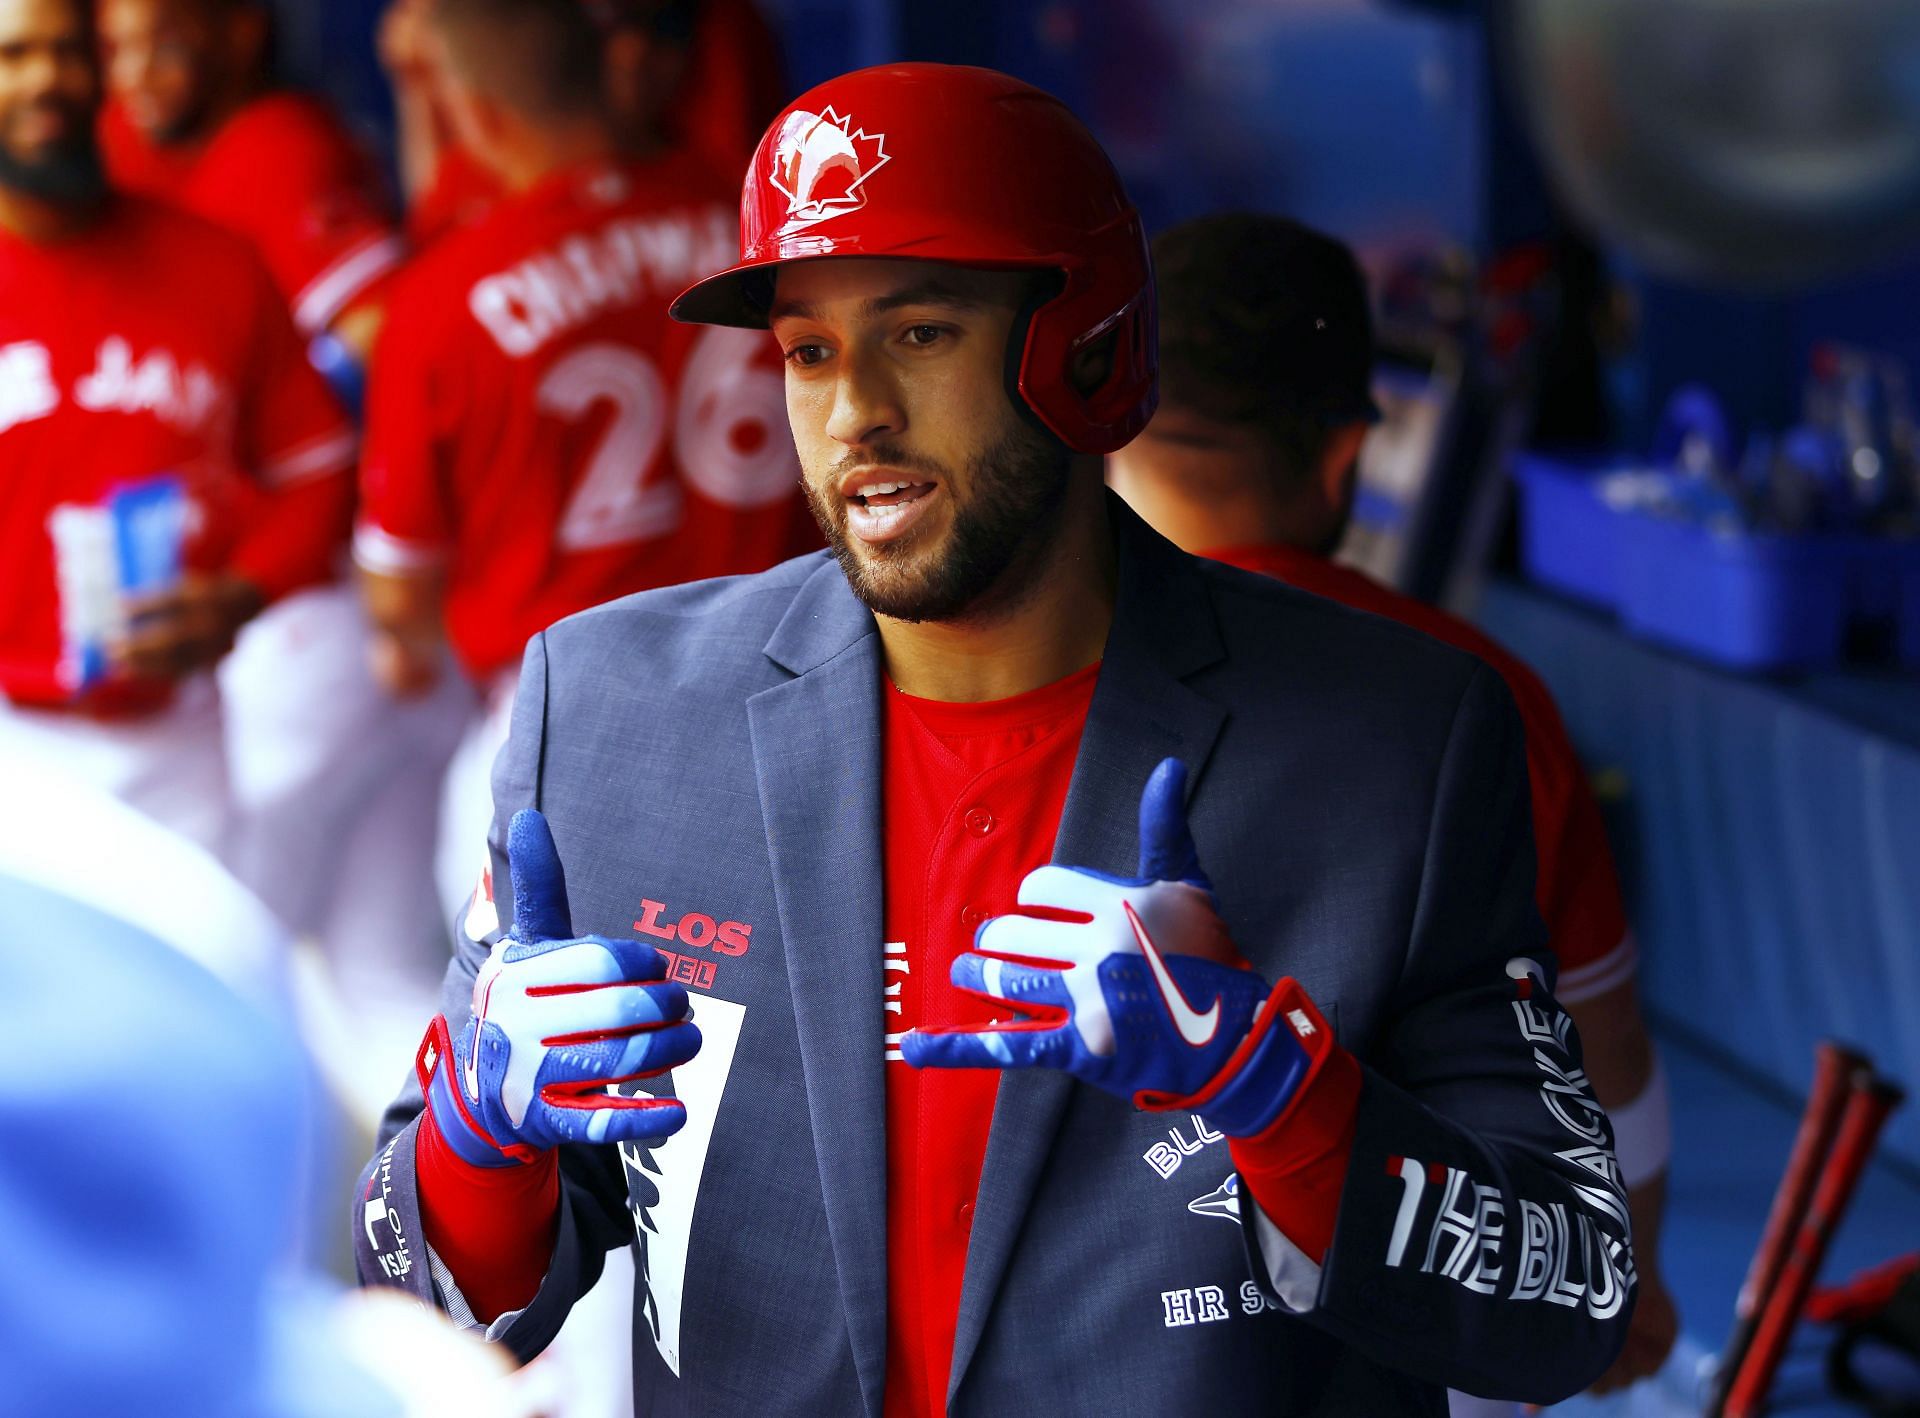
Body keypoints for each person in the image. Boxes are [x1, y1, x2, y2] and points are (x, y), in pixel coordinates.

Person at [356, 63, 1636, 1415]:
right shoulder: (610, 715)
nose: (855, 412)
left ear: (1085, 348)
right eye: (808, 349)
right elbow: (407, 1295)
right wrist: (480, 1138)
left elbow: (1576, 1297)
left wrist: (1279, 1093)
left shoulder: (1397, 741)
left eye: (918, 333)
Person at [1104, 212, 1679, 1401]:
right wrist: (1629, 1280)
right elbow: (1605, 1063)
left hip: (1079, 1325)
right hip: (1429, 1336)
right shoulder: (1467, 693)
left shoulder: (995, 665)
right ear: (1343, 456)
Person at [352, 0, 815, 927]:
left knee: (544, 1037)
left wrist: (404, 641)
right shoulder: (764, 229)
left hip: (565, 731)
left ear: (476, 115)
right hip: (796, 690)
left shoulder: (443, 299)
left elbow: (398, 598)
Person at [0, 0, 352, 854]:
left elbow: (320, 474)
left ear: (104, 74)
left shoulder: (214, 263)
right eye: (15, 55)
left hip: (178, 744)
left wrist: (242, 592)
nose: (48, 78)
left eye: (71, 53)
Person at [96, 0, 401, 357]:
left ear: (243, 32)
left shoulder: (282, 150)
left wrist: (275, 406)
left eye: (165, 44)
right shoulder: (131, 132)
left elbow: (375, 324)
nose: (133, 75)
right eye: (116, 48)